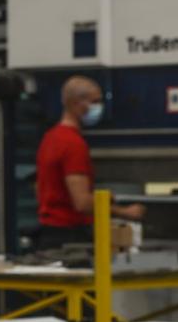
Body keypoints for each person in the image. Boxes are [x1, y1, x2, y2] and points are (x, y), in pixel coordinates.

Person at [34, 75, 144, 250]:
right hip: (69, 238)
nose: (98, 108)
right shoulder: (73, 144)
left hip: (49, 234)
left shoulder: (50, 138)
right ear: (77, 103)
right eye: (95, 102)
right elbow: (82, 202)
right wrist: (125, 212)